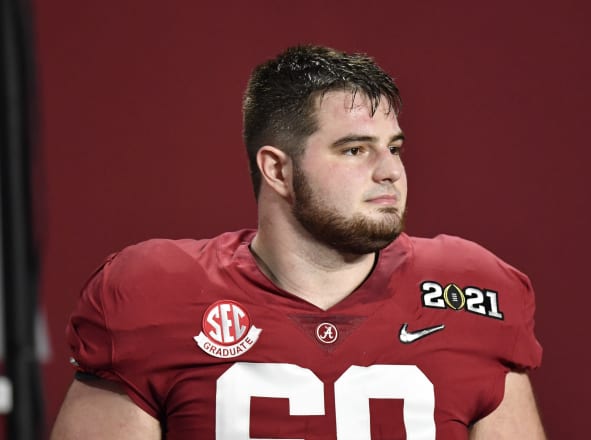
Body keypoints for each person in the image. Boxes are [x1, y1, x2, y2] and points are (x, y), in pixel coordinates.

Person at [51, 45, 545, 439]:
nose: (390, 171)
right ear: (277, 169)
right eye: (355, 149)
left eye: (394, 148)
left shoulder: (471, 288)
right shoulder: (153, 293)